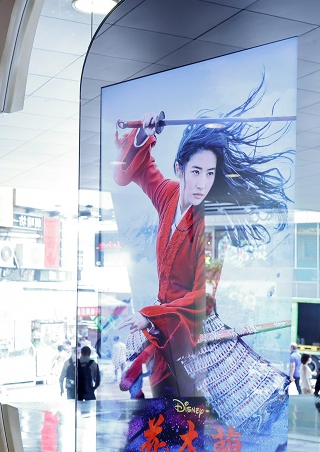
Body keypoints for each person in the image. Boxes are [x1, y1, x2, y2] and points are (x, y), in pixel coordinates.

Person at [114, 79, 292, 400]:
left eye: (210, 174)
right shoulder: (168, 193)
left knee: (183, 419)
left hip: (190, 340)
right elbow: (134, 171)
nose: (202, 184)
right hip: (161, 334)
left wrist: (149, 314)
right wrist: (144, 134)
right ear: (180, 168)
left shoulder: (212, 229)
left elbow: (203, 299)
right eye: (196, 171)